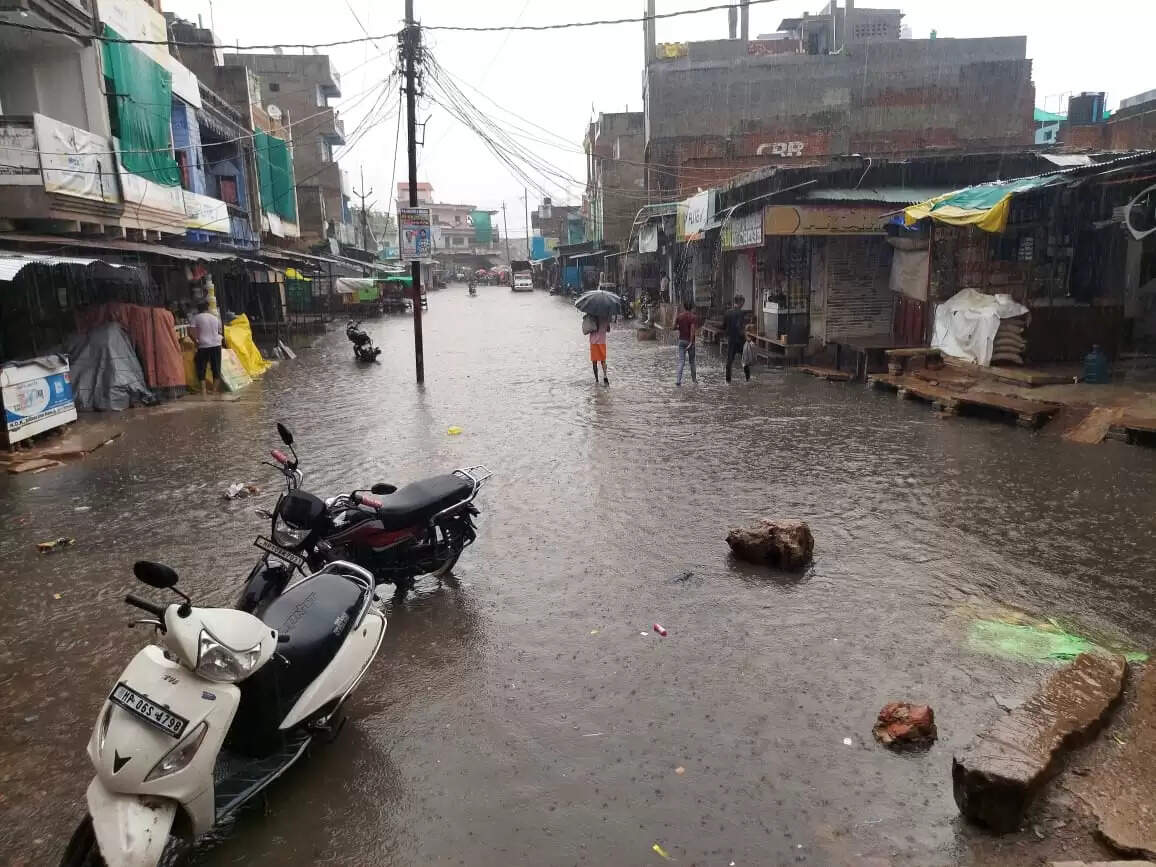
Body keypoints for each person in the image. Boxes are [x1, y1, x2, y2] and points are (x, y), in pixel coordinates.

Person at [191, 300, 224, 395]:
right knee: (216, 367)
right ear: (208, 308)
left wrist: (196, 342)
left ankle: (204, 391)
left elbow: (191, 332)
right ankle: (214, 391)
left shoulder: (196, 318)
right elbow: (220, 331)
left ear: (198, 309)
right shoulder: (215, 318)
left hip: (203, 345)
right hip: (216, 344)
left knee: (201, 367)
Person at [723, 295, 749, 384]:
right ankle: (748, 379)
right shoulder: (741, 313)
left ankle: (728, 381)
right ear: (740, 302)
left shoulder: (727, 313)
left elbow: (724, 326)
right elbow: (740, 327)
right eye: (743, 303)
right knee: (745, 360)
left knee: (729, 361)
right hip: (740, 340)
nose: (743, 304)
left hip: (731, 340)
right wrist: (746, 337)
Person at [674, 300, 698, 385]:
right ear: (691, 307)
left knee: (681, 362)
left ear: (684, 307)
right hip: (690, 342)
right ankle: (694, 381)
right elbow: (692, 331)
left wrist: (679, 327)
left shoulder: (679, 316)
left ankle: (678, 381)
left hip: (681, 341)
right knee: (692, 362)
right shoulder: (693, 317)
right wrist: (691, 342)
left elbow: (673, 327)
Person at [589, 315, 609, 386]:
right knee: (603, 360)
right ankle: (605, 376)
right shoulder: (605, 317)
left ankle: (597, 380)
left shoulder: (592, 316)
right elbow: (608, 330)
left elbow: (589, 328)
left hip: (593, 342)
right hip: (602, 341)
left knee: (594, 362)